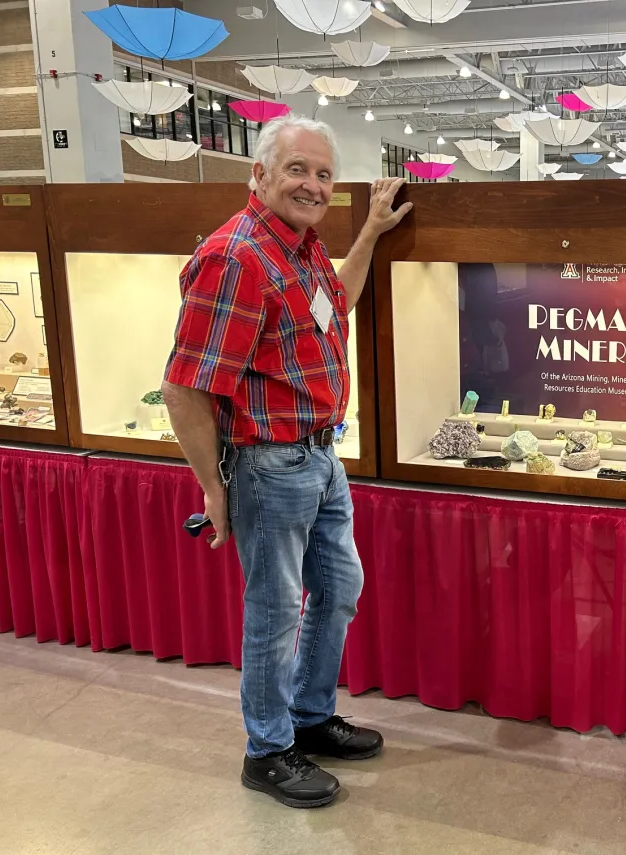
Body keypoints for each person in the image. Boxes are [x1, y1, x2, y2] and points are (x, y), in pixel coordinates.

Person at [161, 114, 411, 809]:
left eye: (324, 174)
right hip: (270, 467)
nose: (312, 184)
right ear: (259, 174)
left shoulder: (299, 250)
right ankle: (267, 749)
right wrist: (213, 486)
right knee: (274, 614)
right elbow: (185, 386)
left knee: (338, 589)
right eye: (298, 169)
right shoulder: (236, 257)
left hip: (320, 458)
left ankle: (307, 715)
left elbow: (341, 302)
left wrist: (369, 232)